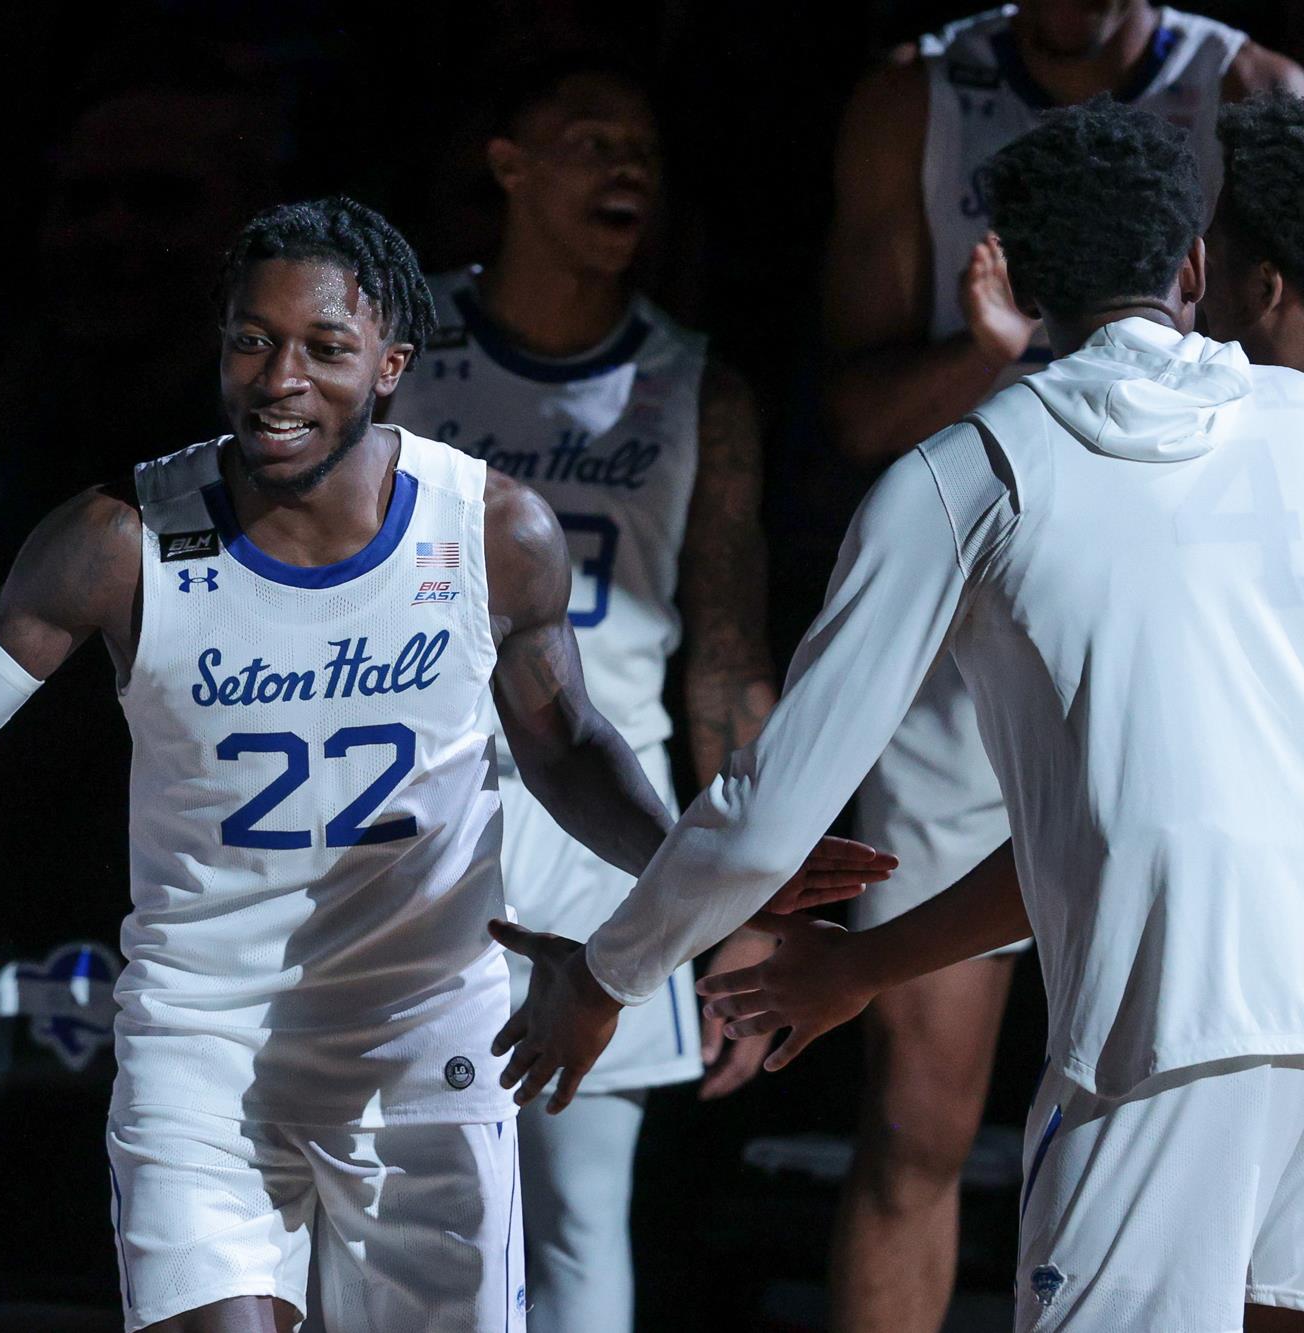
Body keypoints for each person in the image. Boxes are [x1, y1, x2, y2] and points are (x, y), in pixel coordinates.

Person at [0, 196, 885, 1333]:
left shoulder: (488, 531)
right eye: (250, 339)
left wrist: (705, 873)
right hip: (203, 1039)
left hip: (420, 1040)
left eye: (324, 348)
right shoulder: (119, 538)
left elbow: (563, 747)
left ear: (390, 366)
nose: (280, 378)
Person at [497, 96, 1304, 1333]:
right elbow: (1121, 826)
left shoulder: (966, 472)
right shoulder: (1293, 430)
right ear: (1190, 266)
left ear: (1010, 279)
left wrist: (608, 975)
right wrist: (867, 962)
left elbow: (766, 826)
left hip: (1166, 1027)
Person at [819, 5, 1302, 1326]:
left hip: (1179, 618)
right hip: (977, 609)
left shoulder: (1248, 81)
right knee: (915, 1118)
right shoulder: (914, 92)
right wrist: (991, 360)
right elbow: (857, 409)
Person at [387, 55, 781, 1330]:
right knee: (404, 1217)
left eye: (645, 153)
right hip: (410, 826)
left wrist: (743, 901)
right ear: (506, 166)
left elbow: (724, 656)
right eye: (590, 140)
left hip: (602, 835)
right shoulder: (398, 350)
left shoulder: (696, 385)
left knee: (576, 1228)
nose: (626, 169)